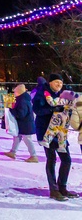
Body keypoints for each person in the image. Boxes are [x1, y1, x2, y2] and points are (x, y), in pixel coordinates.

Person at [33, 72, 77, 201]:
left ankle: (62, 186)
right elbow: (37, 110)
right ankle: (54, 190)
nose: (59, 84)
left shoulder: (62, 95)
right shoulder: (42, 94)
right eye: (57, 82)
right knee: (51, 159)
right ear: (50, 82)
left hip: (60, 132)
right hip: (46, 131)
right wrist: (53, 109)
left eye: (61, 82)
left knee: (66, 159)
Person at [3, 83, 38, 162]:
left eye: (15, 92)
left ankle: (34, 156)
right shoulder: (23, 99)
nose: (14, 94)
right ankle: (12, 152)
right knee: (17, 137)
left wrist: (11, 110)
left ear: (19, 92)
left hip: (26, 125)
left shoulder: (22, 101)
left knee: (27, 139)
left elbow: (21, 114)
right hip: (24, 124)